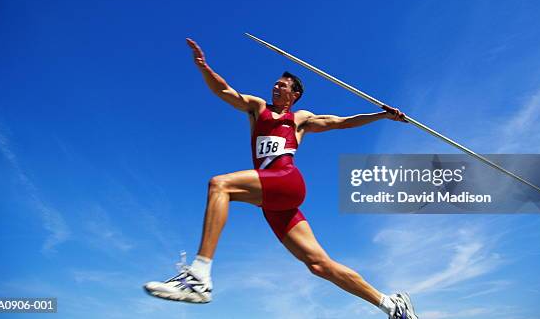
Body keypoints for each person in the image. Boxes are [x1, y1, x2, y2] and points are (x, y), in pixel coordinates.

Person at [144, 38, 418, 319]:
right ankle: (391, 305)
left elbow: (341, 121)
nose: (276, 86)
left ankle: (198, 276)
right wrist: (204, 68)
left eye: (282, 85)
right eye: (275, 83)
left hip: (286, 180)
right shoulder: (256, 107)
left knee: (220, 184)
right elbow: (224, 91)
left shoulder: (299, 119)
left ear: (295, 94)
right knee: (319, 264)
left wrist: (382, 116)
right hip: (273, 202)